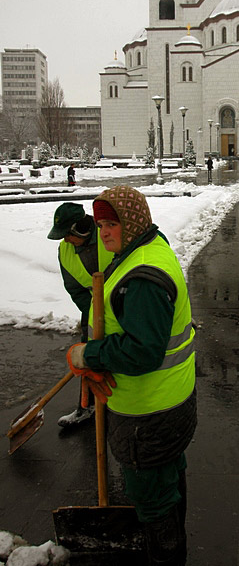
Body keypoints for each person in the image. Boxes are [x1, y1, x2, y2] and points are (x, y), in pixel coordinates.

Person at [65, 186, 197, 566]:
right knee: (169, 481)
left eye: (113, 223)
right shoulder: (148, 247)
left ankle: (167, 557)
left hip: (147, 417)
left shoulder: (142, 276)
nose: (104, 232)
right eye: (101, 223)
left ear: (134, 221)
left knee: (153, 503)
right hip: (168, 404)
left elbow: (142, 350)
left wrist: (87, 353)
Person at [48, 202, 114, 427]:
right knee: (88, 356)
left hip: (123, 301)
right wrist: (93, 315)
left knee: (121, 353)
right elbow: (74, 288)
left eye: (67, 234)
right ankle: (86, 406)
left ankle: (117, 404)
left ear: (80, 228)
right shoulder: (65, 250)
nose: (65, 240)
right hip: (93, 306)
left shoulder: (108, 233)